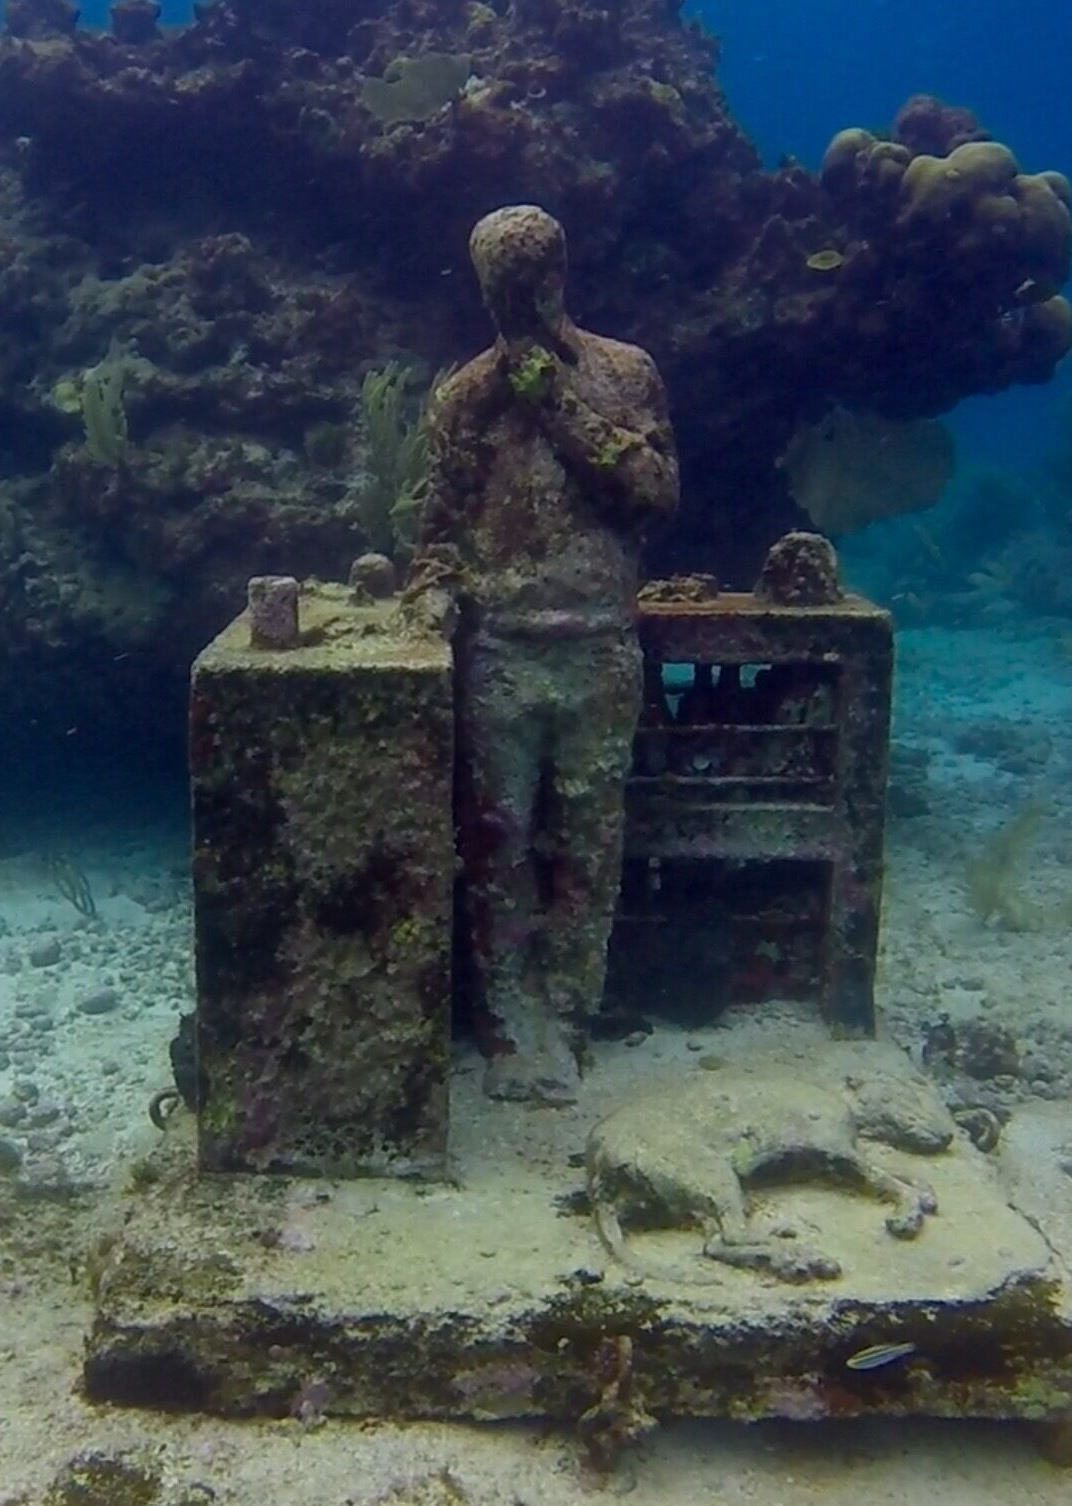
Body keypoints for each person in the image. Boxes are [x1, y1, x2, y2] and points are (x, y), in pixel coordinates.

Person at [409, 205, 679, 1103]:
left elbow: (652, 492)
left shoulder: (623, 374)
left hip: (600, 642)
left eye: (530, 278)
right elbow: (438, 531)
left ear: (560, 276)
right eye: (500, 281)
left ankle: (569, 1014)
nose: (516, 297)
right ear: (482, 286)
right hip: (501, 650)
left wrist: (556, 399)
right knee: (499, 839)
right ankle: (506, 1024)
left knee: (591, 835)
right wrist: (435, 594)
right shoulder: (461, 399)